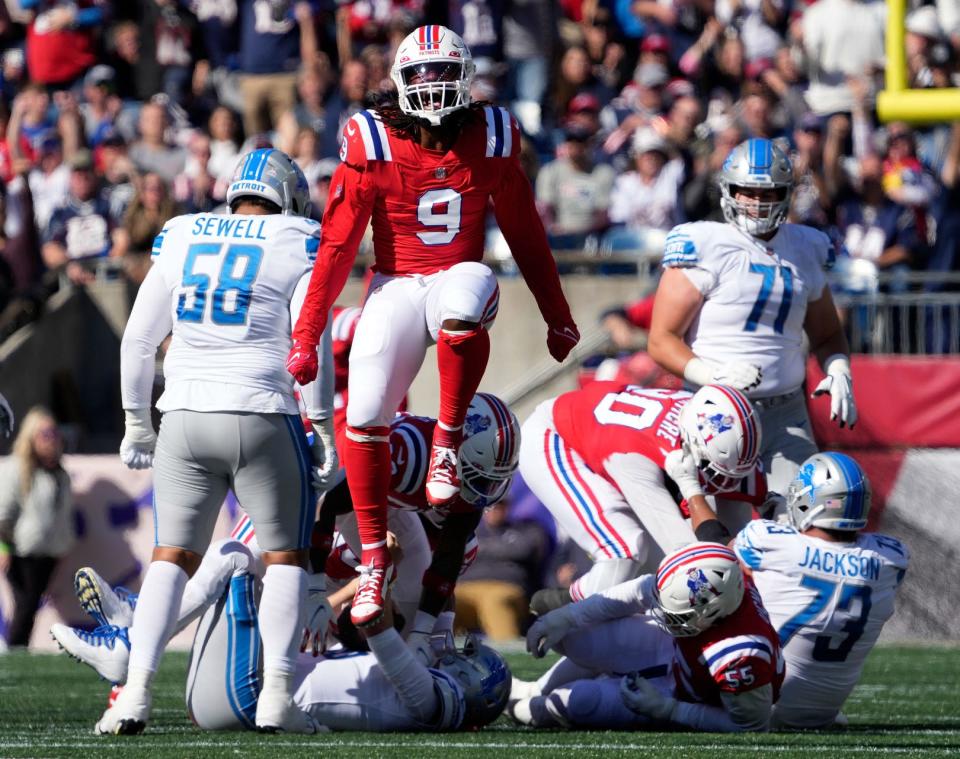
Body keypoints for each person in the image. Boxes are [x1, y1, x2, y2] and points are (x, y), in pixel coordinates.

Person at [286, 25, 579, 628]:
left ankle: (445, 441)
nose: (433, 85)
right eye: (420, 74)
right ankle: (371, 562)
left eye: (444, 73)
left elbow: (524, 230)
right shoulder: (370, 140)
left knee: (468, 292)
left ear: (466, 79)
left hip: (456, 277)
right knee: (364, 419)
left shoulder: (492, 135)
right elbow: (338, 246)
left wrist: (557, 314)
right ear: (399, 81)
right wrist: (306, 333)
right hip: (394, 283)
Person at [97, 148, 337, 736]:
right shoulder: (297, 236)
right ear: (290, 199)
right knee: (285, 556)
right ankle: (277, 698)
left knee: (170, 557)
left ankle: (134, 694)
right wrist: (323, 423)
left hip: (182, 414)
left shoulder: (181, 233)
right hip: (260, 409)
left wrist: (135, 420)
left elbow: (138, 339)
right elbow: (314, 339)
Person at [52, 537, 511, 733]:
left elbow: (377, 627)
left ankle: (132, 644)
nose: (451, 653)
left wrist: (374, 571)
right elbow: (382, 628)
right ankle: (137, 628)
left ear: (474, 684)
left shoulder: (430, 701)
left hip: (245, 697)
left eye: (463, 658)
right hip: (236, 693)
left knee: (234, 556)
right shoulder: (417, 687)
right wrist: (373, 580)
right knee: (250, 566)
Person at [647, 137, 856, 497]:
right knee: (721, 532)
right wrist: (712, 375)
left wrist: (839, 369)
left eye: (768, 193)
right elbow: (661, 339)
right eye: (747, 192)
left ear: (786, 194)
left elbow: (827, 336)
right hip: (716, 410)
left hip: (786, 413)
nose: (757, 203)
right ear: (729, 191)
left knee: (801, 521)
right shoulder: (704, 243)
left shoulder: (807, 247)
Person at [519, 382, 767, 612]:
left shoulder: (717, 434)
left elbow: (735, 547)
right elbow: (690, 556)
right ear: (689, 446)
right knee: (626, 549)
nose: (724, 483)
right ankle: (568, 604)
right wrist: (692, 489)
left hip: (615, 435)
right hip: (556, 435)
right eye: (714, 471)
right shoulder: (635, 458)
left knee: (726, 569)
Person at [513, 541, 784, 732]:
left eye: (676, 615)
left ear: (712, 612)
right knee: (573, 634)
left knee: (581, 701)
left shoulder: (741, 653)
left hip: (681, 694)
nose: (664, 616)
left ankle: (531, 705)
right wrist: (567, 616)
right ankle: (533, 689)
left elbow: (750, 725)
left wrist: (669, 710)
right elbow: (636, 593)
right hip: (675, 647)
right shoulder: (711, 577)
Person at [733, 452, 910, 729]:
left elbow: (718, 550)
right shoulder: (890, 557)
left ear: (806, 499)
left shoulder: (769, 542)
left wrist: (692, 492)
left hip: (757, 703)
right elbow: (828, 556)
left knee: (715, 577)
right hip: (821, 714)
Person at [0, 407, 74, 647]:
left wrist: (63, 545)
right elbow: (4, 511)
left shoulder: (59, 473)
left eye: (54, 433)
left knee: (29, 605)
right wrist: (4, 546)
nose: (51, 439)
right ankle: (15, 648)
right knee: (26, 603)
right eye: (44, 434)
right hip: (21, 550)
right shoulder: (17, 468)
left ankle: (18, 648)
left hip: (48, 551)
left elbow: (61, 515)